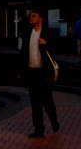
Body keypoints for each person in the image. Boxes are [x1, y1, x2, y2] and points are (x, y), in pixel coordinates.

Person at [18, 10, 60, 138]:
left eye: (34, 16)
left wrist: (46, 44)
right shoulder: (27, 33)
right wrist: (20, 71)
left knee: (47, 101)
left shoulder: (48, 33)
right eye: (30, 16)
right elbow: (23, 54)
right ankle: (39, 129)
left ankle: (54, 121)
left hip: (44, 72)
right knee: (35, 103)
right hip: (32, 72)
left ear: (40, 19)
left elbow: (55, 50)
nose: (31, 18)